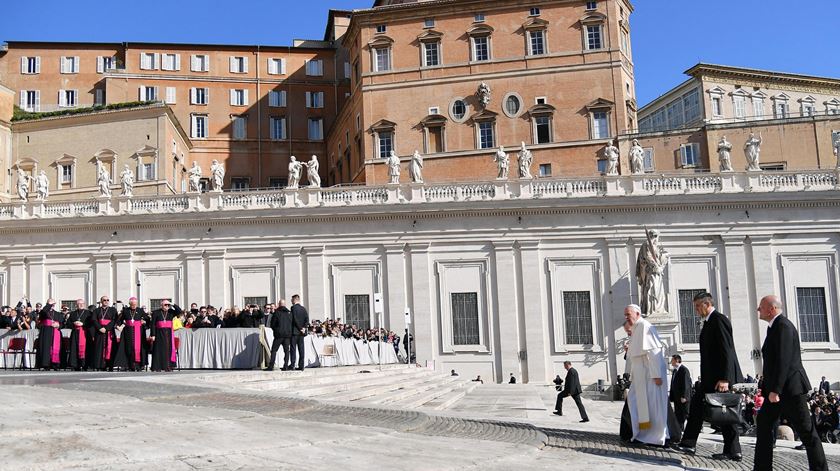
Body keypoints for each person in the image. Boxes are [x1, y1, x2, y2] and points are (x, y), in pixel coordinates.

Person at [754, 295, 827, 471]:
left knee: (807, 432)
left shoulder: (783, 326)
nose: (758, 310)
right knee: (763, 426)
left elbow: (783, 361)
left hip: (790, 390)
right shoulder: (773, 327)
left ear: (771, 309)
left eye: (761, 307)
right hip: (776, 391)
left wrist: (775, 390)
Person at [677, 292, 743, 462]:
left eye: (698, 306)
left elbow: (726, 350)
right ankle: (691, 443)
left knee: (722, 411)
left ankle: (691, 443)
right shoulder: (708, 322)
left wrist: (725, 379)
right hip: (711, 377)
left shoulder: (718, 320)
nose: (696, 310)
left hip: (718, 378)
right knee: (706, 409)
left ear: (707, 304)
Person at [625, 304, 669, 446]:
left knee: (654, 406)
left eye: (628, 315)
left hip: (650, 375)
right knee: (635, 402)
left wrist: (656, 375)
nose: (626, 318)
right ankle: (642, 434)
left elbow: (654, 351)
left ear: (637, 314)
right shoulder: (636, 328)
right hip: (640, 375)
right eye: (625, 315)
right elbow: (635, 355)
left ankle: (654, 437)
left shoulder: (645, 326)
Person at [149, 299, 181, 372]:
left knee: (168, 350)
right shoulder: (156, 312)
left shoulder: (171, 312)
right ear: (161, 305)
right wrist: (153, 335)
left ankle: (168, 366)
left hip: (168, 334)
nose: (167, 306)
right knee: (158, 350)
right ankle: (158, 367)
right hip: (158, 333)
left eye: (168, 305)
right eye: (165, 305)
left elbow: (179, 311)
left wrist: (172, 304)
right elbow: (153, 324)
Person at [119, 297, 147, 372]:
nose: (133, 306)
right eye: (132, 304)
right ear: (129, 304)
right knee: (129, 348)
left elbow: (147, 318)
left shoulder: (140, 310)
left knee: (138, 348)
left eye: (135, 304)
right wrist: (119, 325)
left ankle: (138, 365)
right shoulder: (126, 311)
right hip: (128, 332)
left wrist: (144, 321)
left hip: (138, 331)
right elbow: (120, 319)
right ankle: (129, 365)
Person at [91, 295, 118, 371]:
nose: (106, 301)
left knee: (110, 348)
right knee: (98, 348)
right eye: (104, 300)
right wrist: (100, 328)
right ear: (101, 301)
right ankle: (98, 365)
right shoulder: (96, 310)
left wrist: (106, 328)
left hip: (109, 331)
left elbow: (114, 320)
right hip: (99, 332)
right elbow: (94, 320)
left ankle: (109, 365)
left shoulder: (113, 310)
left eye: (107, 300)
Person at [35, 299, 62, 370]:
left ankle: (55, 364)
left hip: (56, 332)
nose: (52, 305)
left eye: (53, 304)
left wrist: (58, 325)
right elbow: (43, 312)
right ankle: (46, 364)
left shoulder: (58, 314)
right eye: (50, 304)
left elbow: (62, 323)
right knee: (46, 348)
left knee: (55, 348)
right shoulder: (43, 312)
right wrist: (49, 304)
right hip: (46, 332)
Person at [266, 300, 293, 371]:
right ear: (285, 304)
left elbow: (272, 324)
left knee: (274, 350)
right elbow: (291, 324)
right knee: (286, 351)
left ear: (279, 304)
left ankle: (271, 366)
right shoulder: (289, 313)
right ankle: (286, 366)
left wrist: (276, 330)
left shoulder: (277, 313)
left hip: (279, 335)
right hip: (287, 335)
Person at [66, 299, 92, 371]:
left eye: (82, 303)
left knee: (85, 349)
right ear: (76, 305)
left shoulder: (89, 313)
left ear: (84, 304)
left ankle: (85, 365)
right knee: (74, 349)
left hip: (84, 333)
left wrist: (83, 324)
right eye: (79, 304)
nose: (80, 305)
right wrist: (74, 324)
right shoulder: (73, 313)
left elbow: (91, 323)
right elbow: (68, 323)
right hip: (75, 333)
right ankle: (75, 365)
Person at [670, 354, 692, 432]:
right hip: (677, 398)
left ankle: (691, 430)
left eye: (672, 360)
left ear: (676, 360)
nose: (671, 362)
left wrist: (684, 396)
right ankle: (680, 430)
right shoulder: (675, 371)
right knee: (678, 414)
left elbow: (686, 384)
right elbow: (673, 384)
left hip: (683, 398)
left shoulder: (684, 370)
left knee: (686, 414)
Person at [289, 295, 309, 371]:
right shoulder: (303, 309)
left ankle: (293, 365)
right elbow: (307, 319)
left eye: (292, 299)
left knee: (293, 349)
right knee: (301, 349)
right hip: (301, 333)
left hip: (295, 331)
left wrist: (300, 328)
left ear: (295, 299)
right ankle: (301, 366)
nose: (291, 301)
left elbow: (294, 319)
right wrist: (304, 327)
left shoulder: (293, 308)